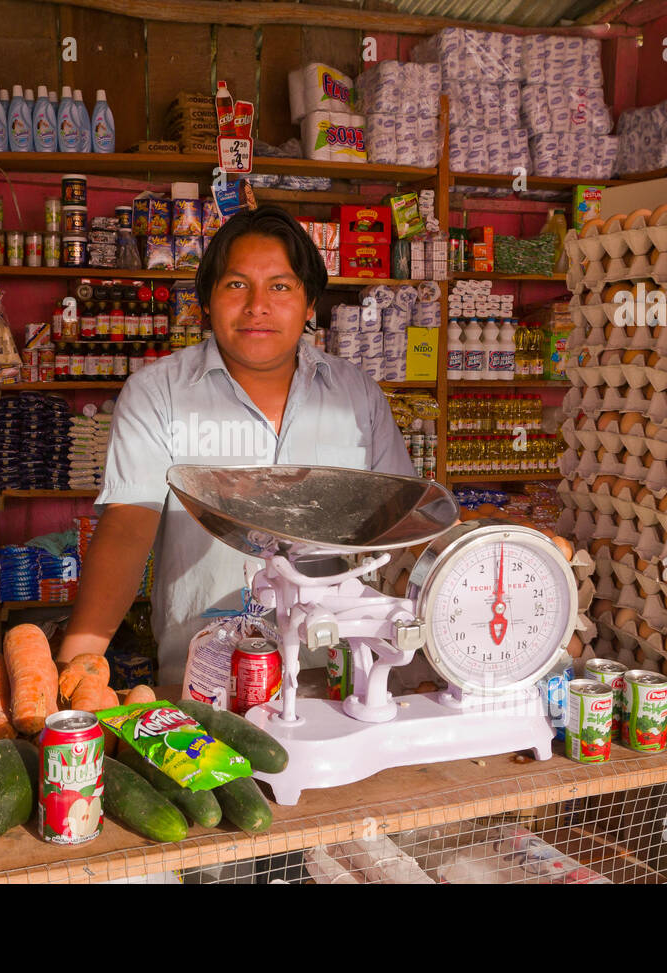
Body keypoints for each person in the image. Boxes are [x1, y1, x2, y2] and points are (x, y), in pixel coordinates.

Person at [56, 204, 416, 686]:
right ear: (206, 299)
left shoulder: (357, 397)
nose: (257, 306)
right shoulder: (158, 393)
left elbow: (403, 530)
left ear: (310, 305)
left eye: (281, 286)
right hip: (207, 681)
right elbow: (127, 527)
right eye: (236, 284)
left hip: (343, 674)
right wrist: (75, 668)